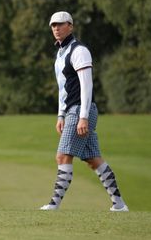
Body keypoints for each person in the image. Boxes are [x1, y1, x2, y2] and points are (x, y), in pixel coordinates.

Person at [40, 11, 128, 212]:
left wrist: (83, 117)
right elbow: (64, 89)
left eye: (61, 24)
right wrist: (60, 114)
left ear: (70, 26)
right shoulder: (60, 53)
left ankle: (54, 204)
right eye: (53, 25)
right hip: (72, 110)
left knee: (62, 156)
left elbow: (86, 86)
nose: (56, 28)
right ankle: (119, 204)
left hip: (81, 110)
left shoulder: (79, 51)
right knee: (93, 159)